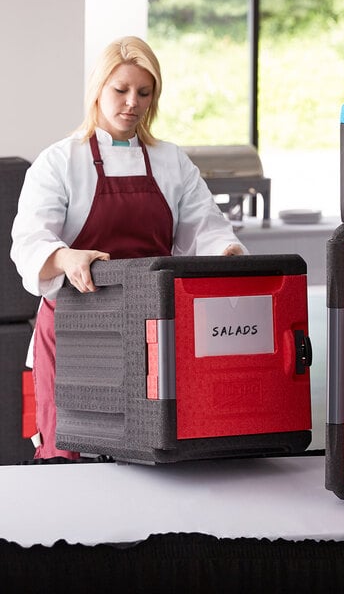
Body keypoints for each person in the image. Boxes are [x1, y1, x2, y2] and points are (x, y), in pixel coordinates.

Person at [10, 36, 247, 460]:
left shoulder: (171, 161)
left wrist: (224, 251)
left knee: (150, 448)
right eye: (120, 90)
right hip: (74, 329)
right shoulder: (60, 161)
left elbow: (205, 227)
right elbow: (29, 238)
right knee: (71, 451)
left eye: (144, 92)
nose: (131, 103)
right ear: (97, 90)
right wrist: (65, 256)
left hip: (152, 331)